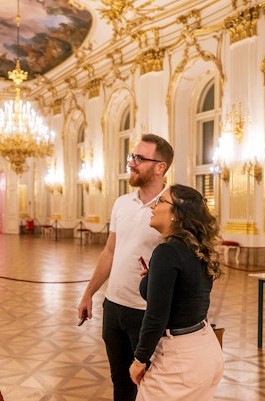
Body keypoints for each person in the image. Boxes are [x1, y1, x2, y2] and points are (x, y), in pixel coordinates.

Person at [77, 133, 174, 401]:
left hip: (147, 314)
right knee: (120, 381)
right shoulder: (122, 203)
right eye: (132, 156)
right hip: (114, 307)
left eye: (139, 158)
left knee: (152, 385)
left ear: (159, 167)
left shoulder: (173, 207)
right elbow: (110, 252)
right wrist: (89, 294)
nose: (131, 163)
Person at [128, 185, 224, 400]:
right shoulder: (195, 248)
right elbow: (184, 295)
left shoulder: (167, 251)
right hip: (205, 347)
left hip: (181, 360)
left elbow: (156, 316)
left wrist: (139, 360)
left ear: (176, 214)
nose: (152, 206)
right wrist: (153, 279)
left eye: (161, 201)